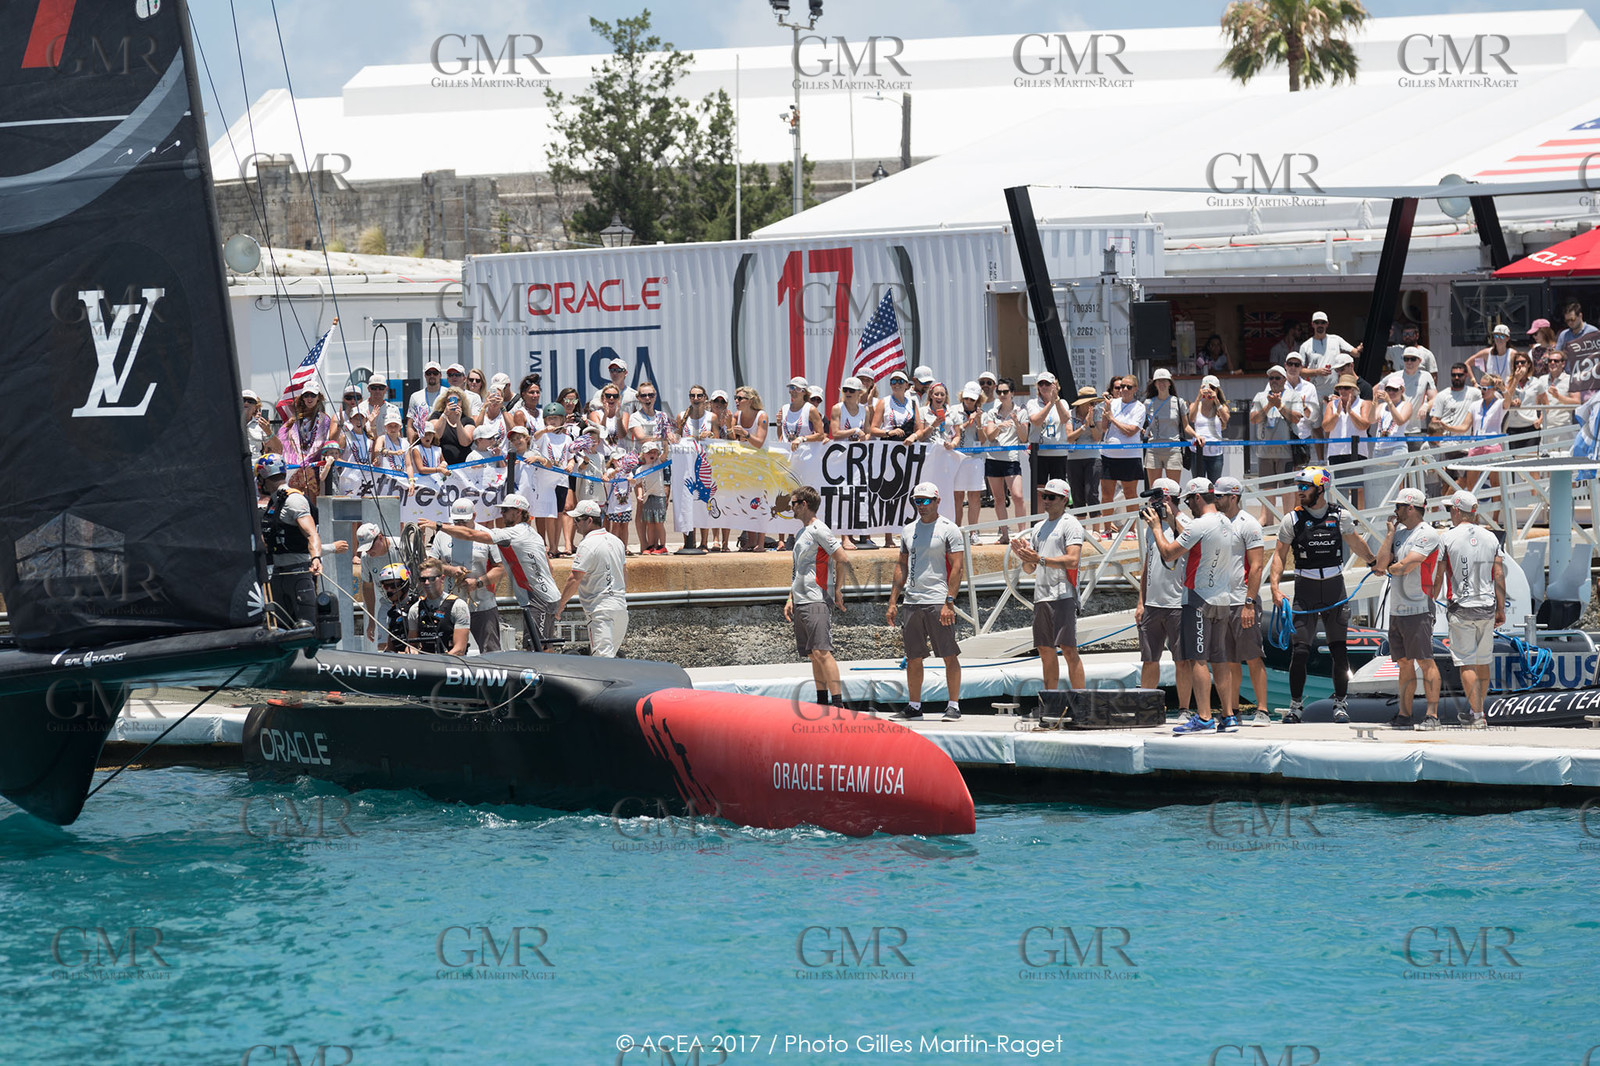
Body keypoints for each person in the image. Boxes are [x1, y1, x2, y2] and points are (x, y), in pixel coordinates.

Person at [1268, 465, 1379, 724]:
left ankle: (1340, 705)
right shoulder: (1292, 519)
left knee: (1339, 651)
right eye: (1299, 487)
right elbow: (1279, 555)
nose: (1300, 492)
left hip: (1334, 590)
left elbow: (1354, 542)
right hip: (1305, 590)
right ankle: (1296, 706)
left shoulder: (1339, 516)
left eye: (1304, 487)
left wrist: (1373, 562)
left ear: (1321, 489)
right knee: (1301, 651)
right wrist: (1274, 587)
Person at [1143, 476, 1233, 733]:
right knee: (1220, 659)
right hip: (1221, 598)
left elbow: (1169, 553)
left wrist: (1158, 528)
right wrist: (1172, 522)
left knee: (1198, 660)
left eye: (1189, 501)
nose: (1188, 506)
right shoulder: (1225, 521)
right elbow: (1195, 542)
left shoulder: (1198, 525)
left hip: (1198, 599)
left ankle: (1204, 717)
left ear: (1196, 498)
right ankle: (1228, 716)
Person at [886, 481, 965, 721]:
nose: (920, 505)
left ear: (937, 501)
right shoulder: (909, 530)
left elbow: (958, 568)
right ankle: (914, 705)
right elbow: (901, 565)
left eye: (925, 500)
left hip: (937, 599)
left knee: (949, 654)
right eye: (916, 501)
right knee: (913, 657)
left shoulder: (949, 529)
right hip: (912, 601)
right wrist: (892, 601)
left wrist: (948, 601)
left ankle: (953, 704)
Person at [441, 493, 559, 651]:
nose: (501, 514)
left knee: (535, 649)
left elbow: (471, 534)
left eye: (505, 510)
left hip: (538, 600)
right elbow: (549, 567)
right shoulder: (534, 534)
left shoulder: (513, 533)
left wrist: (438, 527)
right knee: (545, 648)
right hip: (549, 597)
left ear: (518, 512)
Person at [1431, 490, 1506, 728]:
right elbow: (1499, 575)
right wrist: (1501, 609)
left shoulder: (1447, 538)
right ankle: (1479, 713)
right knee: (1483, 662)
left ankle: (1476, 715)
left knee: (1467, 663)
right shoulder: (1491, 538)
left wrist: (1430, 600)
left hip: (1461, 607)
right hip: (1487, 606)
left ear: (1455, 510)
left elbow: (1439, 574)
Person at [1373, 488, 1442, 730]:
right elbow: (1380, 566)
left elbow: (1404, 568)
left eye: (1399, 506)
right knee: (1403, 662)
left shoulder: (1427, 534)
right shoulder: (1400, 534)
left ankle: (1432, 715)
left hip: (1419, 606)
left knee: (1425, 660)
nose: (1395, 511)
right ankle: (1405, 714)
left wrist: (1393, 566)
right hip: (1398, 608)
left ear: (1410, 507)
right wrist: (1390, 536)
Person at [1012, 478, 1085, 698]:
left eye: (1051, 497)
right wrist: (1024, 556)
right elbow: (1029, 569)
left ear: (1064, 500)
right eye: (1044, 496)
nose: (1045, 500)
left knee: (1069, 649)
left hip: (1063, 593)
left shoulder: (1070, 523)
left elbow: (1073, 560)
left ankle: (1081, 700)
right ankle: (1050, 699)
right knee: (1045, 650)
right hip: (1042, 595)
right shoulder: (1038, 528)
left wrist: (1039, 558)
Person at [785, 486, 850, 709]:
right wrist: (790, 597)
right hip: (802, 599)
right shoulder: (801, 533)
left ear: (804, 504)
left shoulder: (819, 529)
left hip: (816, 599)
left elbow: (842, 557)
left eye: (793, 503)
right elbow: (797, 569)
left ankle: (838, 704)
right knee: (813, 654)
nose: (791, 507)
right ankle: (822, 701)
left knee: (823, 652)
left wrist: (837, 590)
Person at [1135, 477, 1193, 717]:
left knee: (1182, 660)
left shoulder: (1186, 523)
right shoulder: (1152, 526)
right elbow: (1148, 563)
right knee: (1150, 660)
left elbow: (1178, 553)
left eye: (1154, 499)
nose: (1150, 504)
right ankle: (1146, 708)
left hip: (1178, 603)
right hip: (1152, 604)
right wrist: (1140, 601)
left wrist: (1166, 522)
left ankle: (1184, 709)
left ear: (1167, 499)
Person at [1213, 476, 1266, 726]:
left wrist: (1249, 603)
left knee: (1253, 657)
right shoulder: (1215, 523)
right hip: (1221, 602)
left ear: (1233, 497)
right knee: (1230, 660)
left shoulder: (1249, 524)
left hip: (1242, 600)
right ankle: (1231, 712)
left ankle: (1263, 710)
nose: (1215, 499)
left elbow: (1256, 566)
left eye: (1220, 496)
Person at [555, 499, 629, 657]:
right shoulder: (617, 541)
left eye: (577, 520)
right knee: (610, 658)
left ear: (589, 520)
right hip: (620, 609)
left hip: (600, 611)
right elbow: (623, 574)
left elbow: (574, 578)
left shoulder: (587, 544)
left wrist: (560, 605)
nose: (575, 524)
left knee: (601, 662)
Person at [255, 454, 322, 626]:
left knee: (307, 626)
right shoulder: (274, 502)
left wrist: (316, 558)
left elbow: (311, 533)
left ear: (263, 478)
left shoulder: (294, 500)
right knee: (276, 627)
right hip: (278, 574)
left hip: (298, 574)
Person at [431, 498, 503, 653]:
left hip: (482, 603)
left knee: (491, 651)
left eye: (464, 521)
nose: (460, 526)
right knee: (449, 651)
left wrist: (478, 582)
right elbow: (431, 565)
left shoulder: (487, 535)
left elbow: (499, 568)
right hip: (451, 604)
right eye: (457, 522)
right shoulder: (442, 535)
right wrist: (450, 570)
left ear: (474, 516)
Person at [1299, 311, 1362, 449]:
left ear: (1327, 324)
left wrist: (1360, 348)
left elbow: (1354, 353)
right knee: (1316, 426)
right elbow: (1300, 370)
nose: (1319, 325)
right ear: (1312, 324)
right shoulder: (1306, 345)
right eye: (1317, 323)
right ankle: (1321, 459)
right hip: (1315, 392)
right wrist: (1316, 371)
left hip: (1334, 390)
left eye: (1322, 322)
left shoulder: (1336, 339)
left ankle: (1329, 456)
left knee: (1330, 426)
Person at [981, 377, 1029, 545]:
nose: (1002, 394)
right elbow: (989, 436)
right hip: (993, 458)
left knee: (1018, 496)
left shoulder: (1021, 411)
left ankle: (1022, 533)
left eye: (1005, 392)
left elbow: (1024, 438)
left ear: (1012, 393)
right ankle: (1004, 534)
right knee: (999, 498)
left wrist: (1016, 422)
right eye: (999, 392)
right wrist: (1000, 426)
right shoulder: (992, 413)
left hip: (1011, 459)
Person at [1098, 375, 1147, 538]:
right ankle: (1107, 529)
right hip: (1109, 454)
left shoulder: (1139, 407)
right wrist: (1106, 414)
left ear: (1135, 389)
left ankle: (1131, 529)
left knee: (1130, 493)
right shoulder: (1112, 403)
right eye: (1121, 387)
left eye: (1128, 387)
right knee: (1106, 494)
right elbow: (1104, 428)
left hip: (1129, 455)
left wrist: (1113, 418)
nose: (1123, 390)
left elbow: (1132, 430)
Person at [1249, 365, 1298, 523]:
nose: (1274, 381)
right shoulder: (1260, 396)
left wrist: (1280, 406)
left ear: (1284, 379)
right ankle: (1267, 519)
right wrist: (1269, 405)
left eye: (1278, 378)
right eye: (1271, 378)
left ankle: (1288, 521)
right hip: (1265, 451)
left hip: (1286, 451)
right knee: (1266, 488)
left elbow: (1297, 418)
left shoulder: (1293, 395)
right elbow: (1253, 419)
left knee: (1287, 488)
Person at [1427, 363, 1481, 495]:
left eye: (1460, 375)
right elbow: (1434, 420)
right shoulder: (1442, 395)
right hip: (1445, 446)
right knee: (1446, 482)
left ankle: (1443, 506)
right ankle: (1444, 513)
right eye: (1454, 375)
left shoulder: (1475, 393)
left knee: (1463, 480)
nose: (1457, 377)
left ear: (1466, 375)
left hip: (1465, 446)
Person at [1025, 372, 1071, 513]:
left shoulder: (1062, 402)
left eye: (1047, 383)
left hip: (1058, 452)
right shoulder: (1033, 403)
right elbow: (1036, 421)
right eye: (1041, 384)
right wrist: (1050, 403)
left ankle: (1057, 519)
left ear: (1054, 385)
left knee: (1058, 490)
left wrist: (1055, 401)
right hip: (1039, 454)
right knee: (1039, 490)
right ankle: (1038, 522)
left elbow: (1065, 419)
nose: (1044, 386)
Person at [1323, 374, 1371, 509]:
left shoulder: (1363, 403)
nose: (1343, 391)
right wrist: (1337, 413)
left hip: (1358, 451)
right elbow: (1326, 426)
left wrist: (1350, 411)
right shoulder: (1332, 405)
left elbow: (1364, 425)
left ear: (1354, 390)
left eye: (1347, 388)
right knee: (1339, 490)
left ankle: (1360, 518)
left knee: (1359, 488)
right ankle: (1343, 519)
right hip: (1336, 452)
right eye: (1340, 388)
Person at [405, 559, 471, 656]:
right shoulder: (415, 609)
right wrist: (410, 650)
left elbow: (459, 649)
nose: (427, 583)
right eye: (423, 579)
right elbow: (411, 644)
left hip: (451, 663)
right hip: (425, 663)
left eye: (431, 579)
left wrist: (438, 663)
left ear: (442, 578)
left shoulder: (458, 606)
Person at [1368, 374, 1414, 506]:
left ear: (1402, 390)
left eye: (1395, 390)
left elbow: (1400, 421)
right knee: (1379, 484)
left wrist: (1389, 402)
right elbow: (1370, 420)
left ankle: (1399, 511)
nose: (1391, 392)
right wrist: (1374, 402)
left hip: (1396, 448)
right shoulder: (1381, 407)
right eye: (1388, 389)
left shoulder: (1406, 405)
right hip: (1379, 448)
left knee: (1397, 484)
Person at [1143, 368, 1189, 489]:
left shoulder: (1179, 402)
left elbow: (1186, 426)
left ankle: (1172, 508)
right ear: (1154, 384)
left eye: (1165, 381)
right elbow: (1142, 425)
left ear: (1170, 383)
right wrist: (1144, 432)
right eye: (1158, 381)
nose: (1161, 384)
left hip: (1173, 449)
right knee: (1154, 489)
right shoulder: (1148, 403)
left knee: (1173, 489)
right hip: (1153, 449)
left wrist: (1197, 436)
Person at [947, 383, 986, 527]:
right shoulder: (953, 411)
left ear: (978, 400)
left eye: (972, 399)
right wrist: (968, 422)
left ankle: (973, 531)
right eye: (966, 398)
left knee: (974, 495)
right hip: (957, 457)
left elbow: (982, 440)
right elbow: (951, 433)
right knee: (957, 495)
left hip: (975, 457)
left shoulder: (982, 413)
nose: (969, 402)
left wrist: (979, 422)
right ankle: (956, 528)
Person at [1062, 388, 1101, 525]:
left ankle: (1096, 530)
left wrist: (1091, 423)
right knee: (1077, 495)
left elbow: (1097, 437)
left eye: (1094, 403)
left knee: (1092, 493)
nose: (1093, 406)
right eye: (1090, 403)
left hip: (1093, 457)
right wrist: (1084, 426)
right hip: (1073, 458)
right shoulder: (1070, 414)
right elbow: (1069, 438)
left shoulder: (1097, 413)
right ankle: (1081, 529)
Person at [1188, 374, 1230, 483]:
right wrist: (1198, 397)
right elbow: (1191, 418)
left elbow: (1225, 419)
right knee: (1199, 485)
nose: (1209, 391)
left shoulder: (1221, 406)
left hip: (1215, 454)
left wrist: (1216, 400)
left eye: (1212, 388)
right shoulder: (1196, 405)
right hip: (1198, 452)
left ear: (1217, 390)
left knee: (1214, 486)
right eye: (1206, 388)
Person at [1282, 353, 1319, 466]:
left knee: (1301, 476)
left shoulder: (1310, 387)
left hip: (1303, 435)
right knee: (1284, 477)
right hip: (1282, 437)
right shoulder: (1276, 383)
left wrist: (1304, 407)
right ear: (1285, 365)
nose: (1293, 367)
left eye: (1296, 364)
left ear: (1301, 367)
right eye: (1290, 364)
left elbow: (1314, 417)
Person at [1398, 347, 1438, 450]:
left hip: (1415, 431)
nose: (1409, 362)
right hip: (1396, 431)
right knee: (1398, 465)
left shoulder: (1426, 376)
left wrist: (1425, 406)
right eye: (1406, 359)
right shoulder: (1395, 376)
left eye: (1413, 359)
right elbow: (1373, 390)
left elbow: (1435, 399)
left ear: (1419, 360)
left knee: (1417, 464)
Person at [635, 441, 668, 555]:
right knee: (650, 523)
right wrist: (640, 494)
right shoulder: (640, 469)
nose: (652, 454)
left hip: (659, 496)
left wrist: (666, 445)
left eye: (654, 452)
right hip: (647, 497)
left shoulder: (658, 463)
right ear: (643, 454)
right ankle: (651, 545)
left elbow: (664, 456)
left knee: (659, 523)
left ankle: (662, 545)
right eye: (649, 452)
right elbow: (639, 484)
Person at [373, 563, 415, 653]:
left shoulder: (418, 607)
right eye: (385, 586)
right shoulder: (392, 613)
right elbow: (390, 647)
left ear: (405, 584)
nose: (389, 590)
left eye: (393, 585)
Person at [1503, 351, 1542, 447]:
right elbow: (1507, 399)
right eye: (1517, 363)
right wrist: (1516, 379)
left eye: (1523, 362)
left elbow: (1546, 405)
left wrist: (1540, 420)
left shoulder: (1536, 382)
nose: (1520, 365)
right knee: (1514, 460)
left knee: (1531, 459)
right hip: (1513, 426)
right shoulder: (1509, 381)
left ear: (1528, 364)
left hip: (1531, 426)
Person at [431, 389, 476, 466]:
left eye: (458, 400)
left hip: (462, 465)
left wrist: (458, 421)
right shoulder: (437, 416)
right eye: (449, 400)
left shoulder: (467, 420)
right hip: (440, 464)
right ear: (445, 402)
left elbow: (465, 442)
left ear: (462, 403)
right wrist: (445, 415)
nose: (454, 403)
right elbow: (435, 436)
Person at [780, 376, 826, 446]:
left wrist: (802, 439)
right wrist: (778, 424)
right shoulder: (784, 408)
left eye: (797, 389)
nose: (794, 391)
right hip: (787, 453)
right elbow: (783, 435)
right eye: (791, 388)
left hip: (805, 454)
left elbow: (820, 435)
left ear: (804, 392)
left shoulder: (810, 409)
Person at [408, 361, 444, 440]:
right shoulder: (415, 396)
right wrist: (412, 444)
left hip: (443, 439)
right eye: (429, 373)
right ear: (425, 375)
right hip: (423, 440)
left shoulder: (447, 394)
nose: (432, 376)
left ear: (440, 375)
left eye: (435, 373)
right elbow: (410, 425)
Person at [243, 390, 270, 460]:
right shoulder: (229, 424)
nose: (246, 403)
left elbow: (277, 450)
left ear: (255, 407)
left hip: (256, 466)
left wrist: (269, 431)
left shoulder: (261, 425)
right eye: (243, 400)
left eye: (250, 401)